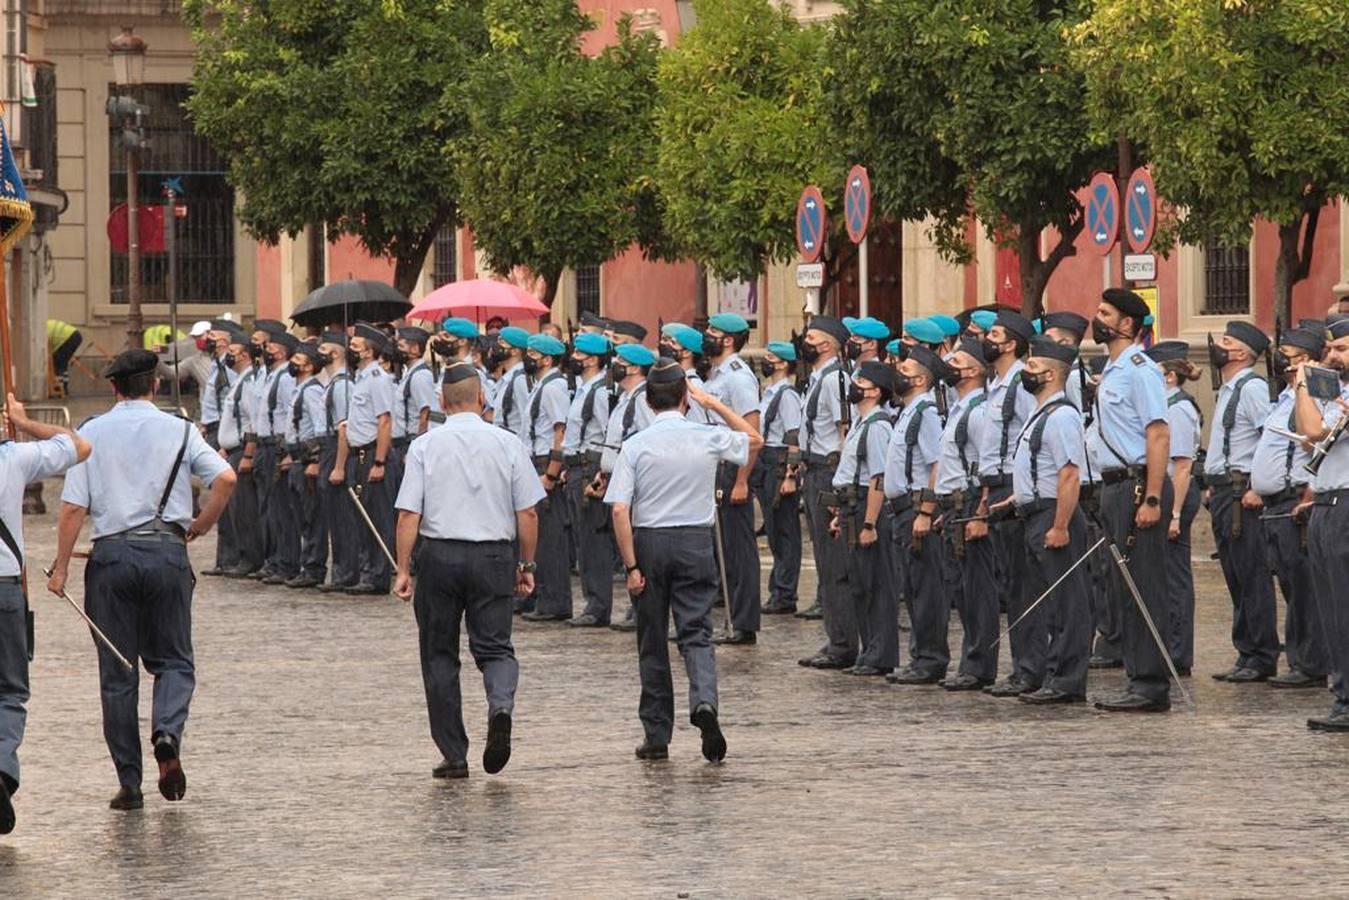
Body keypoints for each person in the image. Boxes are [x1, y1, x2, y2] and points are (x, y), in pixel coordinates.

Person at [50, 349, 236, 810]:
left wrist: (60, 567)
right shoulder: (180, 429)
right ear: (154, 385)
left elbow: (73, 507)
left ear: (114, 387)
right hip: (167, 552)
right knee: (174, 661)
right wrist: (200, 524)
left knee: (118, 673)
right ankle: (167, 732)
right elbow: (227, 479)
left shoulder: (90, 433)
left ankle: (129, 784)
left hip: (111, 558)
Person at [606, 361, 762, 762]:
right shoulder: (706, 435)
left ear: (648, 400)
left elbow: (620, 509)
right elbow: (754, 439)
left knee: (652, 639)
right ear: (685, 399)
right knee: (697, 633)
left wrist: (631, 567)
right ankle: (704, 703)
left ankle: (657, 734)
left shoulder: (637, 445)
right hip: (694, 540)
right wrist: (714, 403)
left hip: (650, 541)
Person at [393, 362, 542, 777]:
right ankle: (500, 706)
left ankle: (454, 754)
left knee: (439, 654)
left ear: (441, 402)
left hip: (439, 556)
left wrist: (403, 568)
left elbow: (409, 513)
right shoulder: (508, 443)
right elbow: (528, 512)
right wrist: (526, 563)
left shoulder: (426, 445)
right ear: (482, 398)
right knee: (495, 648)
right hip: (494, 556)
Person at [0, 393, 90, 835]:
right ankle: (0, 769)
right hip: (3, 586)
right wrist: (25, 423)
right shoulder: (13, 458)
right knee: (10, 691)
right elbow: (79, 445)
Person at [1089, 288, 1174, 713]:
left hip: (1140, 485)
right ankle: (1137, 675)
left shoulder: (1140, 369)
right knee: (1124, 587)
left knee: (1145, 585)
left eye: (1105, 313)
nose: (1097, 317)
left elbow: (1158, 433)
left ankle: (1152, 686)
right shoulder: (1113, 368)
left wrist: (1153, 496)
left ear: (1127, 324)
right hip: (1115, 486)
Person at [1005, 337, 1092, 704]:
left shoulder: (1062, 416)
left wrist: (1059, 525)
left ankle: (1067, 681)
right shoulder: (1040, 414)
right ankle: (1054, 673)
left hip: (1055, 516)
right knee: (1050, 600)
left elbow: (1069, 474)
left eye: (1033, 366)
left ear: (1052, 373)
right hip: (1036, 513)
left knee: (1067, 602)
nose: (1026, 372)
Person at [1204, 320, 1278, 683]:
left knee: (1251, 575)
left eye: (1226, 340)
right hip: (1223, 492)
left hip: (1241, 495)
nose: (1218, 345)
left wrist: (1257, 486)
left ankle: (1261, 654)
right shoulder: (1229, 389)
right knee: (1234, 575)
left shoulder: (1251, 389)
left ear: (1241, 352)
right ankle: (1246, 650)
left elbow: (1270, 437)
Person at [1253, 328, 1326, 688]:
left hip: (1295, 499)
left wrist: (1307, 496)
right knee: (1289, 585)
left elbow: (1315, 448)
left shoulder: (1312, 394)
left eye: (1288, 352)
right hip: (1274, 502)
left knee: (1303, 586)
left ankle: (1311, 663)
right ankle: (1300, 657)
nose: (1280, 358)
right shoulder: (1283, 397)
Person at [976, 310, 1039, 697]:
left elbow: (1030, 439)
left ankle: (1030, 666)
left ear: (1012, 343)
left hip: (1013, 487)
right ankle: (1021, 665)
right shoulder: (995, 385)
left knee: (1023, 584)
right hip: (995, 487)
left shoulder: (1019, 384)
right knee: (1010, 582)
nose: (988, 338)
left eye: (995, 333)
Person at [1294, 318, 1349, 730]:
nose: (1332, 356)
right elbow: (1308, 434)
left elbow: (1312, 429)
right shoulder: (1338, 395)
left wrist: (1300, 386)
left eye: (1342, 349)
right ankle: (1342, 692)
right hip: (1327, 503)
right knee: (1330, 607)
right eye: (1332, 349)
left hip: (1346, 503)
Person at [884, 346, 948, 685]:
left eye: (905, 368)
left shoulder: (925, 412)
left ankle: (931, 659)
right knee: (911, 587)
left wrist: (926, 510)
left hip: (914, 509)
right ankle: (920, 655)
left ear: (921, 379)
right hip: (900, 509)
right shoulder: (908, 411)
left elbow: (936, 463)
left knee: (925, 589)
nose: (897, 371)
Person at [933, 338, 995, 691]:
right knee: (962, 590)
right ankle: (970, 660)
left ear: (972, 370)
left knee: (978, 591)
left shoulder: (978, 412)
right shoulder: (959, 408)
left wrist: (980, 512)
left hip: (970, 504)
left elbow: (984, 464)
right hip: (955, 505)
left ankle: (980, 664)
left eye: (955, 361)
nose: (948, 366)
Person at [830, 360, 898, 677]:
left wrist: (870, 523)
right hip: (851, 509)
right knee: (859, 584)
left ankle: (880, 653)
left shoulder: (878, 426)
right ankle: (869, 649)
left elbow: (878, 478)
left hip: (865, 511)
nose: (852, 385)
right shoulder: (861, 422)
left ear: (873, 390)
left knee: (875, 585)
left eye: (859, 381)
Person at [794, 316, 853, 665]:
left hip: (828, 471)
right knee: (824, 562)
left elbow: (844, 431)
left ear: (829, 344)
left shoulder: (836, 381)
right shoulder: (817, 379)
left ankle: (844, 642)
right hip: (813, 469)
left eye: (812, 336)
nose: (805, 341)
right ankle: (836, 638)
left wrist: (840, 484)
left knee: (835, 564)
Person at [702, 313, 762, 645]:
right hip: (716, 465)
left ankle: (745, 622)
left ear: (728, 339)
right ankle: (733, 616)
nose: (706, 335)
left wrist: (742, 480)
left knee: (739, 549)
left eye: (713, 331)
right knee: (723, 545)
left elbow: (751, 431)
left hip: (732, 466)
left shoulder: (738, 377)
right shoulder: (717, 374)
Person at [1146, 341, 1204, 677]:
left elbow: (1181, 465)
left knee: (1174, 576)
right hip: (1168, 490)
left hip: (1176, 493)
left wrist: (1176, 514)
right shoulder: (1165, 404)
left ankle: (1179, 652)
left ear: (1168, 376)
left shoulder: (1178, 408)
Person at [595, 343, 657, 631]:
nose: (615, 364)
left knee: (637, 548)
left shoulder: (643, 399)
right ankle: (638, 608)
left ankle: (644, 608)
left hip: (637, 483)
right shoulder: (625, 398)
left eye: (621, 360)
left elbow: (649, 440)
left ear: (633, 367)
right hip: (619, 479)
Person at [332, 323, 396, 596]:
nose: (351, 349)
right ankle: (367, 569)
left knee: (377, 517)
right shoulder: (359, 378)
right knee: (362, 517)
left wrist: (379, 462)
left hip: (372, 454)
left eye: (356, 345)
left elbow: (384, 421)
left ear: (370, 351)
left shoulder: (378, 378)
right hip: (357, 455)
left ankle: (378, 574)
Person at [517, 333, 571, 621]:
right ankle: (544, 597)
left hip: (543, 463)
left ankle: (555, 600)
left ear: (547, 359)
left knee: (550, 537)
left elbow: (559, 431)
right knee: (541, 538)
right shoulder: (542, 385)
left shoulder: (553, 388)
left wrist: (551, 472)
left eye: (533, 353)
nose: (529, 357)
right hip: (534, 461)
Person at [562, 332, 614, 627]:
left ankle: (598, 606)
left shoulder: (600, 391)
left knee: (594, 540)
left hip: (591, 466)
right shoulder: (583, 389)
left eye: (580, 354)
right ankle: (592, 601)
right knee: (583, 539)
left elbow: (608, 433)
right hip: (577, 466)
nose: (575, 358)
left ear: (593, 359)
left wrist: (601, 474)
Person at [753, 341, 804, 616]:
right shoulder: (770, 392)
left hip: (779, 461)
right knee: (773, 531)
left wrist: (790, 475)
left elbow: (793, 435)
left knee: (785, 532)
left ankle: (785, 592)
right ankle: (778, 587)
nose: (767, 361)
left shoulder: (787, 395)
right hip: (766, 458)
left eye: (771, 357)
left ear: (784, 363)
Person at [204, 326, 259, 577]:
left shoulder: (246, 381)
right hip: (230, 448)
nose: (229, 355)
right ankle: (230, 558)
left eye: (234, 351)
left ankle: (247, 557)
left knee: (243, 508)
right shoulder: (240, 380)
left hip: (240, 449)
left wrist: (246, 453)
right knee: (231, 507)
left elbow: (251, 422)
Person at [255, 328, 301, 586]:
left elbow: (287, 417)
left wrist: (286, 453)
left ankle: (288, 562)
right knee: (272, 510)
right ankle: (276, 560)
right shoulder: (272, 375)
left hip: (277, 448)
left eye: (271, 346)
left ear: (282, 351)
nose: (267, 350)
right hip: (266, 446)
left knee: (283, 511)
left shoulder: (284, 378)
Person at [283, 341, 330, 589]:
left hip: (307, 460)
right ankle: (306, 563)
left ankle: (313, 567)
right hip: (296, 459)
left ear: (310, 366)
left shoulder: (311, 390)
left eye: (299, 358)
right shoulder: (298, 389)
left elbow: (319, 427)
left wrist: (315, 460)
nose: (294, 361)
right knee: (301, 516)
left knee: (312, 517)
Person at [317, 332, 357, 593]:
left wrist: (340, 466)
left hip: (336, 447)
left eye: (323, 348)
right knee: (333, 515)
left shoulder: (342, 385)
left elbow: (344, 428)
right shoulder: (333, 383)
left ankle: (346, 572)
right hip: (328, 447)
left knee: (343, 516)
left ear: (335, 353)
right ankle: (341, 570)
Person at [392, 326, 436, 488]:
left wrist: (415, 448)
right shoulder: (409, 374)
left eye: (401, 346)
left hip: (409, 443)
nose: (397, 349)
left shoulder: (420, 376)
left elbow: (426, 413)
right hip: (400, 444)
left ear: (415, 349)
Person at [491, 327, 532, 438]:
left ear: (515, 351)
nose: (497, 345)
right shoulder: (507, 378)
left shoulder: (520, 379)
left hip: (512, 444)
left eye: (502, 342)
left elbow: (527, 418)